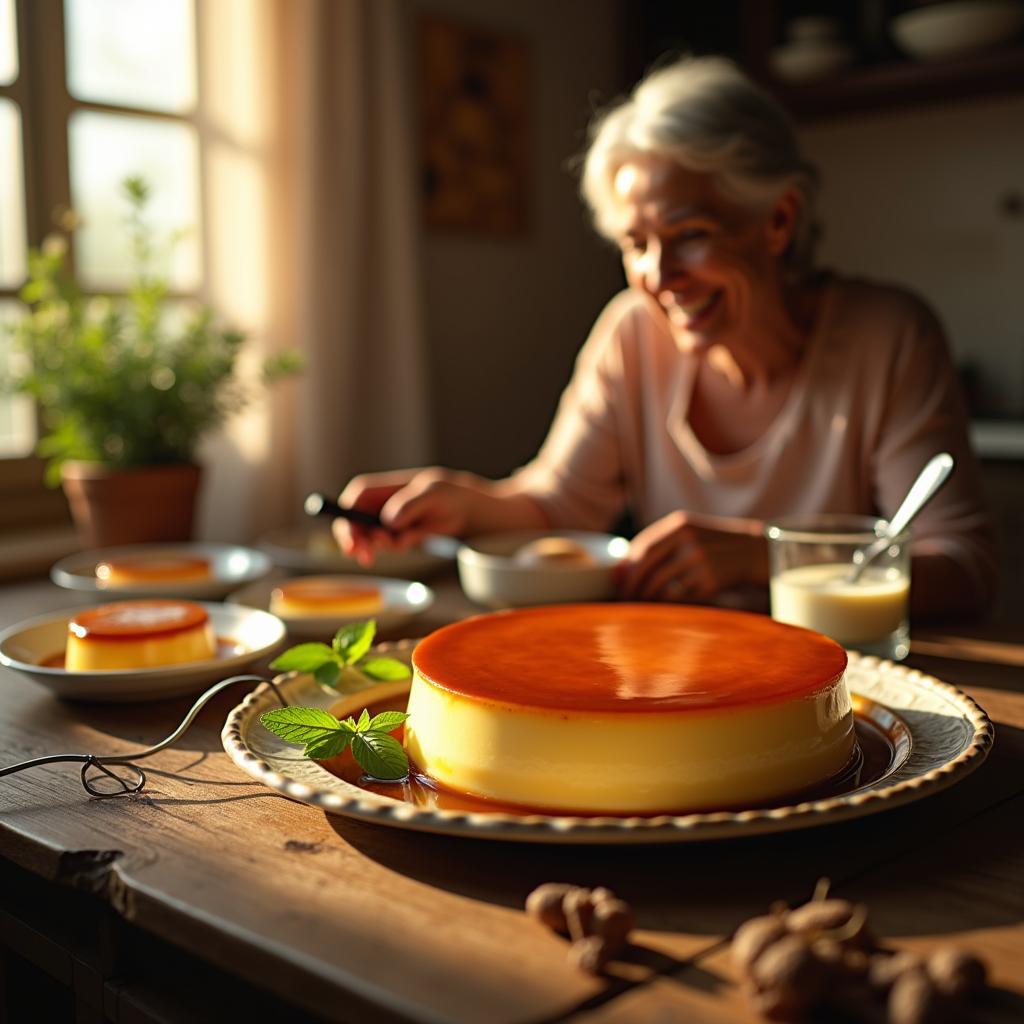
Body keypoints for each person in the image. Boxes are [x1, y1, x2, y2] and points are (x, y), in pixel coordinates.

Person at [333, 57, 995, 618]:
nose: (658, 275)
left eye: (691, 235)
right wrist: (462, 501)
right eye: (636, 243)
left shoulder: (889, 337)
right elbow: (562, 507)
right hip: (683, 679)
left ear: (779, 220)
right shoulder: (632, 331)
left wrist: (767, 558)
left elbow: (963, 567)